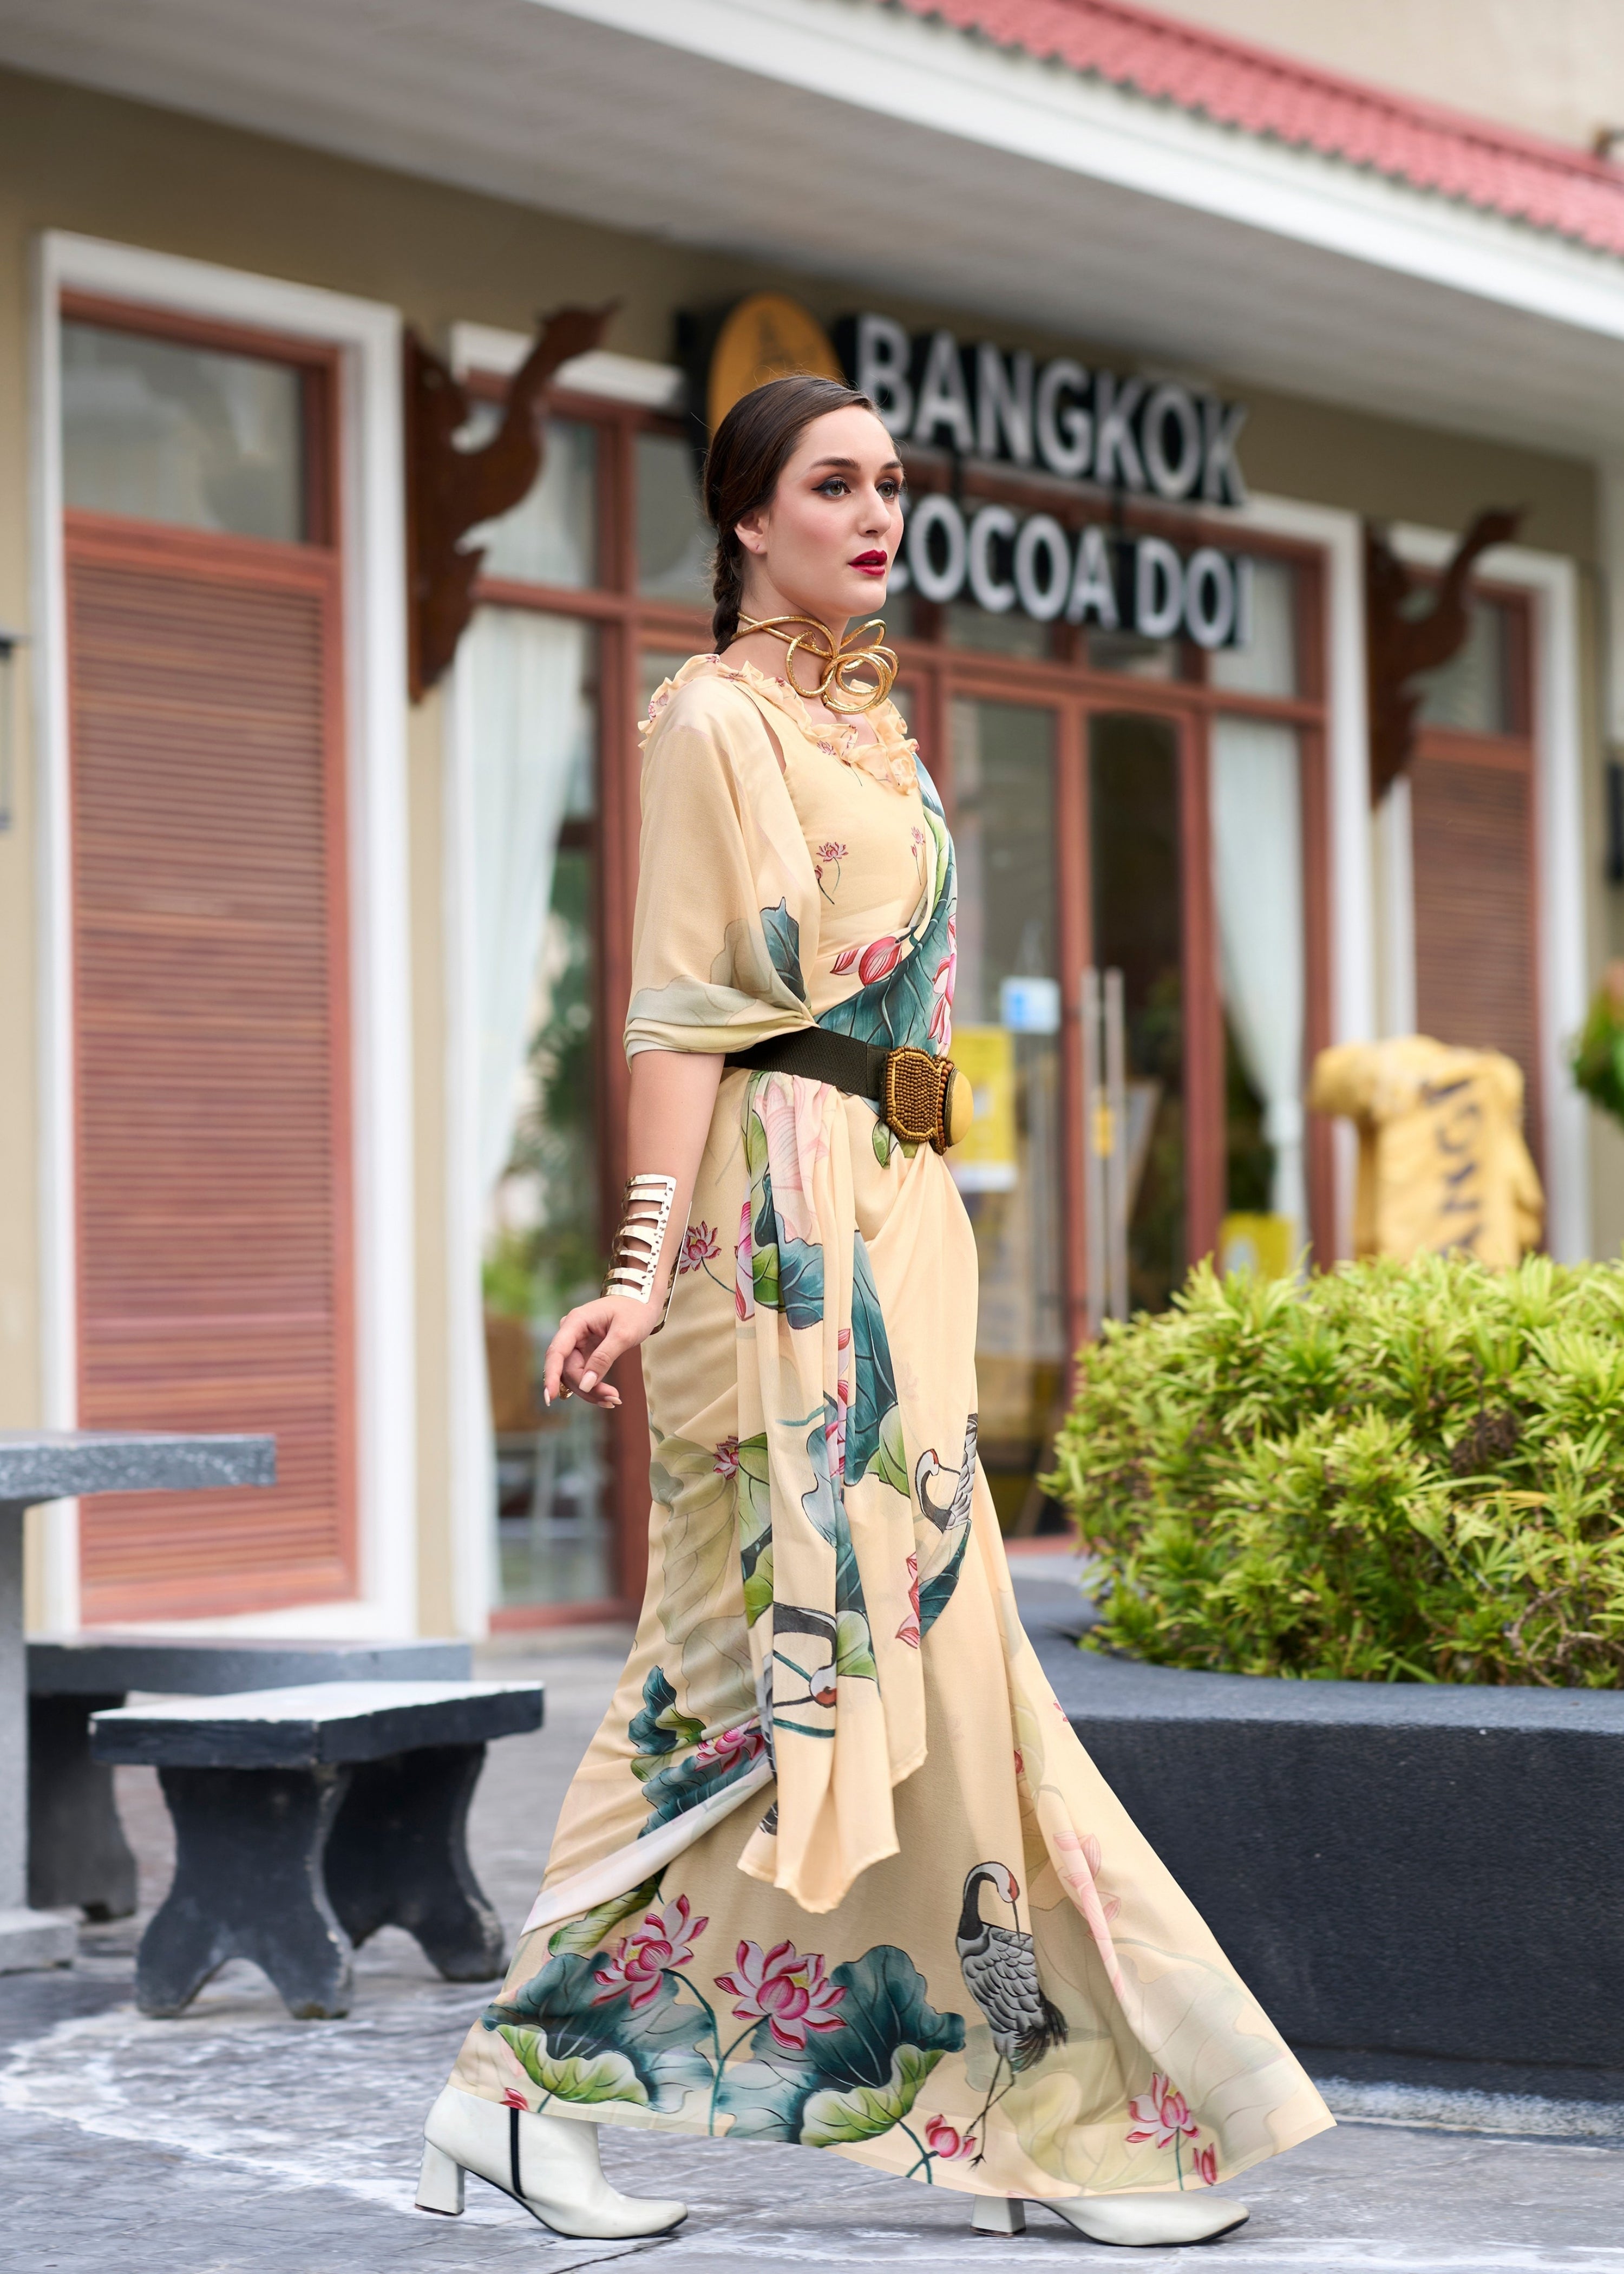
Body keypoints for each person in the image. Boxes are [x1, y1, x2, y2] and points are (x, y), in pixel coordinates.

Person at [417, 374, 1332, 2247]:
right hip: (779, 1244)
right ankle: (509, 2104)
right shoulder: (712, 723)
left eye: (893, 483)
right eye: (833, 484)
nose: (877, 511)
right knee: (731, 1678)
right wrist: (631, 1268)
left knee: (953, 1683)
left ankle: (1039, 2112)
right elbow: (679, 1029)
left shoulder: (878, 733)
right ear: (744, 519)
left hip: (901, 1217)